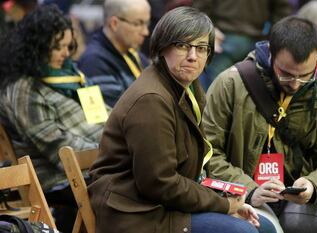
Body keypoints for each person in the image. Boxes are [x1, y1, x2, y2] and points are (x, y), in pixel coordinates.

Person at [88, 7, 276, 233]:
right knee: (242, 231)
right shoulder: (151, 99)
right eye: (182, 45)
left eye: (201, 48)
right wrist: (224, 205)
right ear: (162, 46)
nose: (192, 56)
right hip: (137, 212)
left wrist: (225, 199)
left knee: (264, 226)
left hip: (166, 204)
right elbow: (159, 183)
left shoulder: (186, 84)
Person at [203, 16, 317, 233]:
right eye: (286, 75)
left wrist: (312, 186)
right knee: (271, 228)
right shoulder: (230, 84)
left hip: (295, 201)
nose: (296, 84)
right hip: (244, 198)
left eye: (305, 76)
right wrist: (250, 190)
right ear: (270, 54)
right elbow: (208, 154)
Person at [0, 4, 106, 232]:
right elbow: (57, 147)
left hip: (95, 164)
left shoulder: (72, 75)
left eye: (67, 45)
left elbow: (106, 115)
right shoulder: (24, 89)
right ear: (36, 47)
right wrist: (113, 152)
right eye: (56, 47)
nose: (66, 53)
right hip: (61, 176)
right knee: (131, 187)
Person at [193, 0, 292, 90]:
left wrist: (208, 29)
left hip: (227, 36)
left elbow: (200, 6)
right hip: (240, 38)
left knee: (212, 92)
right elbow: (283, 10)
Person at [77, 0, 151, 107]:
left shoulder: (133, 54)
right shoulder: (93, 62)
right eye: (138, 23)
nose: (145, 32)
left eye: (147, 23)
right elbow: (116, 114)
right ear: (114, 23)